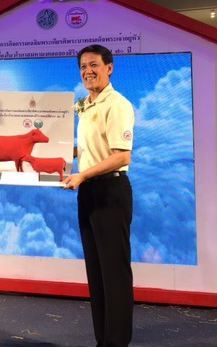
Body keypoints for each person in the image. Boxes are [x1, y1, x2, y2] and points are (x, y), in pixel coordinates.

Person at [64, 44, 135, 347]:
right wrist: (55, 151)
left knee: (114, 272)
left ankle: (116, 342)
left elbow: (121, 156)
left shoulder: (116, 104)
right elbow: (89, 151)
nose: (87, 71)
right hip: (89, 191)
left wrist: (82, 175)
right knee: (96, 271)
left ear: (109, 68)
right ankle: (103, 340)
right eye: (83, 66)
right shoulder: (86, 105)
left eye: (93, 64)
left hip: (110, 191)